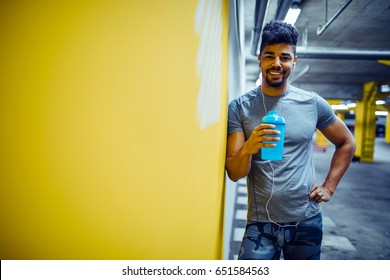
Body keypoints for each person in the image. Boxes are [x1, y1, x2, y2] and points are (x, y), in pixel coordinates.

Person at [225, 20, 356, 260]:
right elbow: (234, 173)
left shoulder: (312, 103)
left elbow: (347, 142)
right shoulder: (240, 107)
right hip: (260, 224)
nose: (277, 63)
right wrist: (250, 147)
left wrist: (329, 186)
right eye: (269, 56)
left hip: (306, 221)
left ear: (294, 62)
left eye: (285, 57)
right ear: (260, 59)